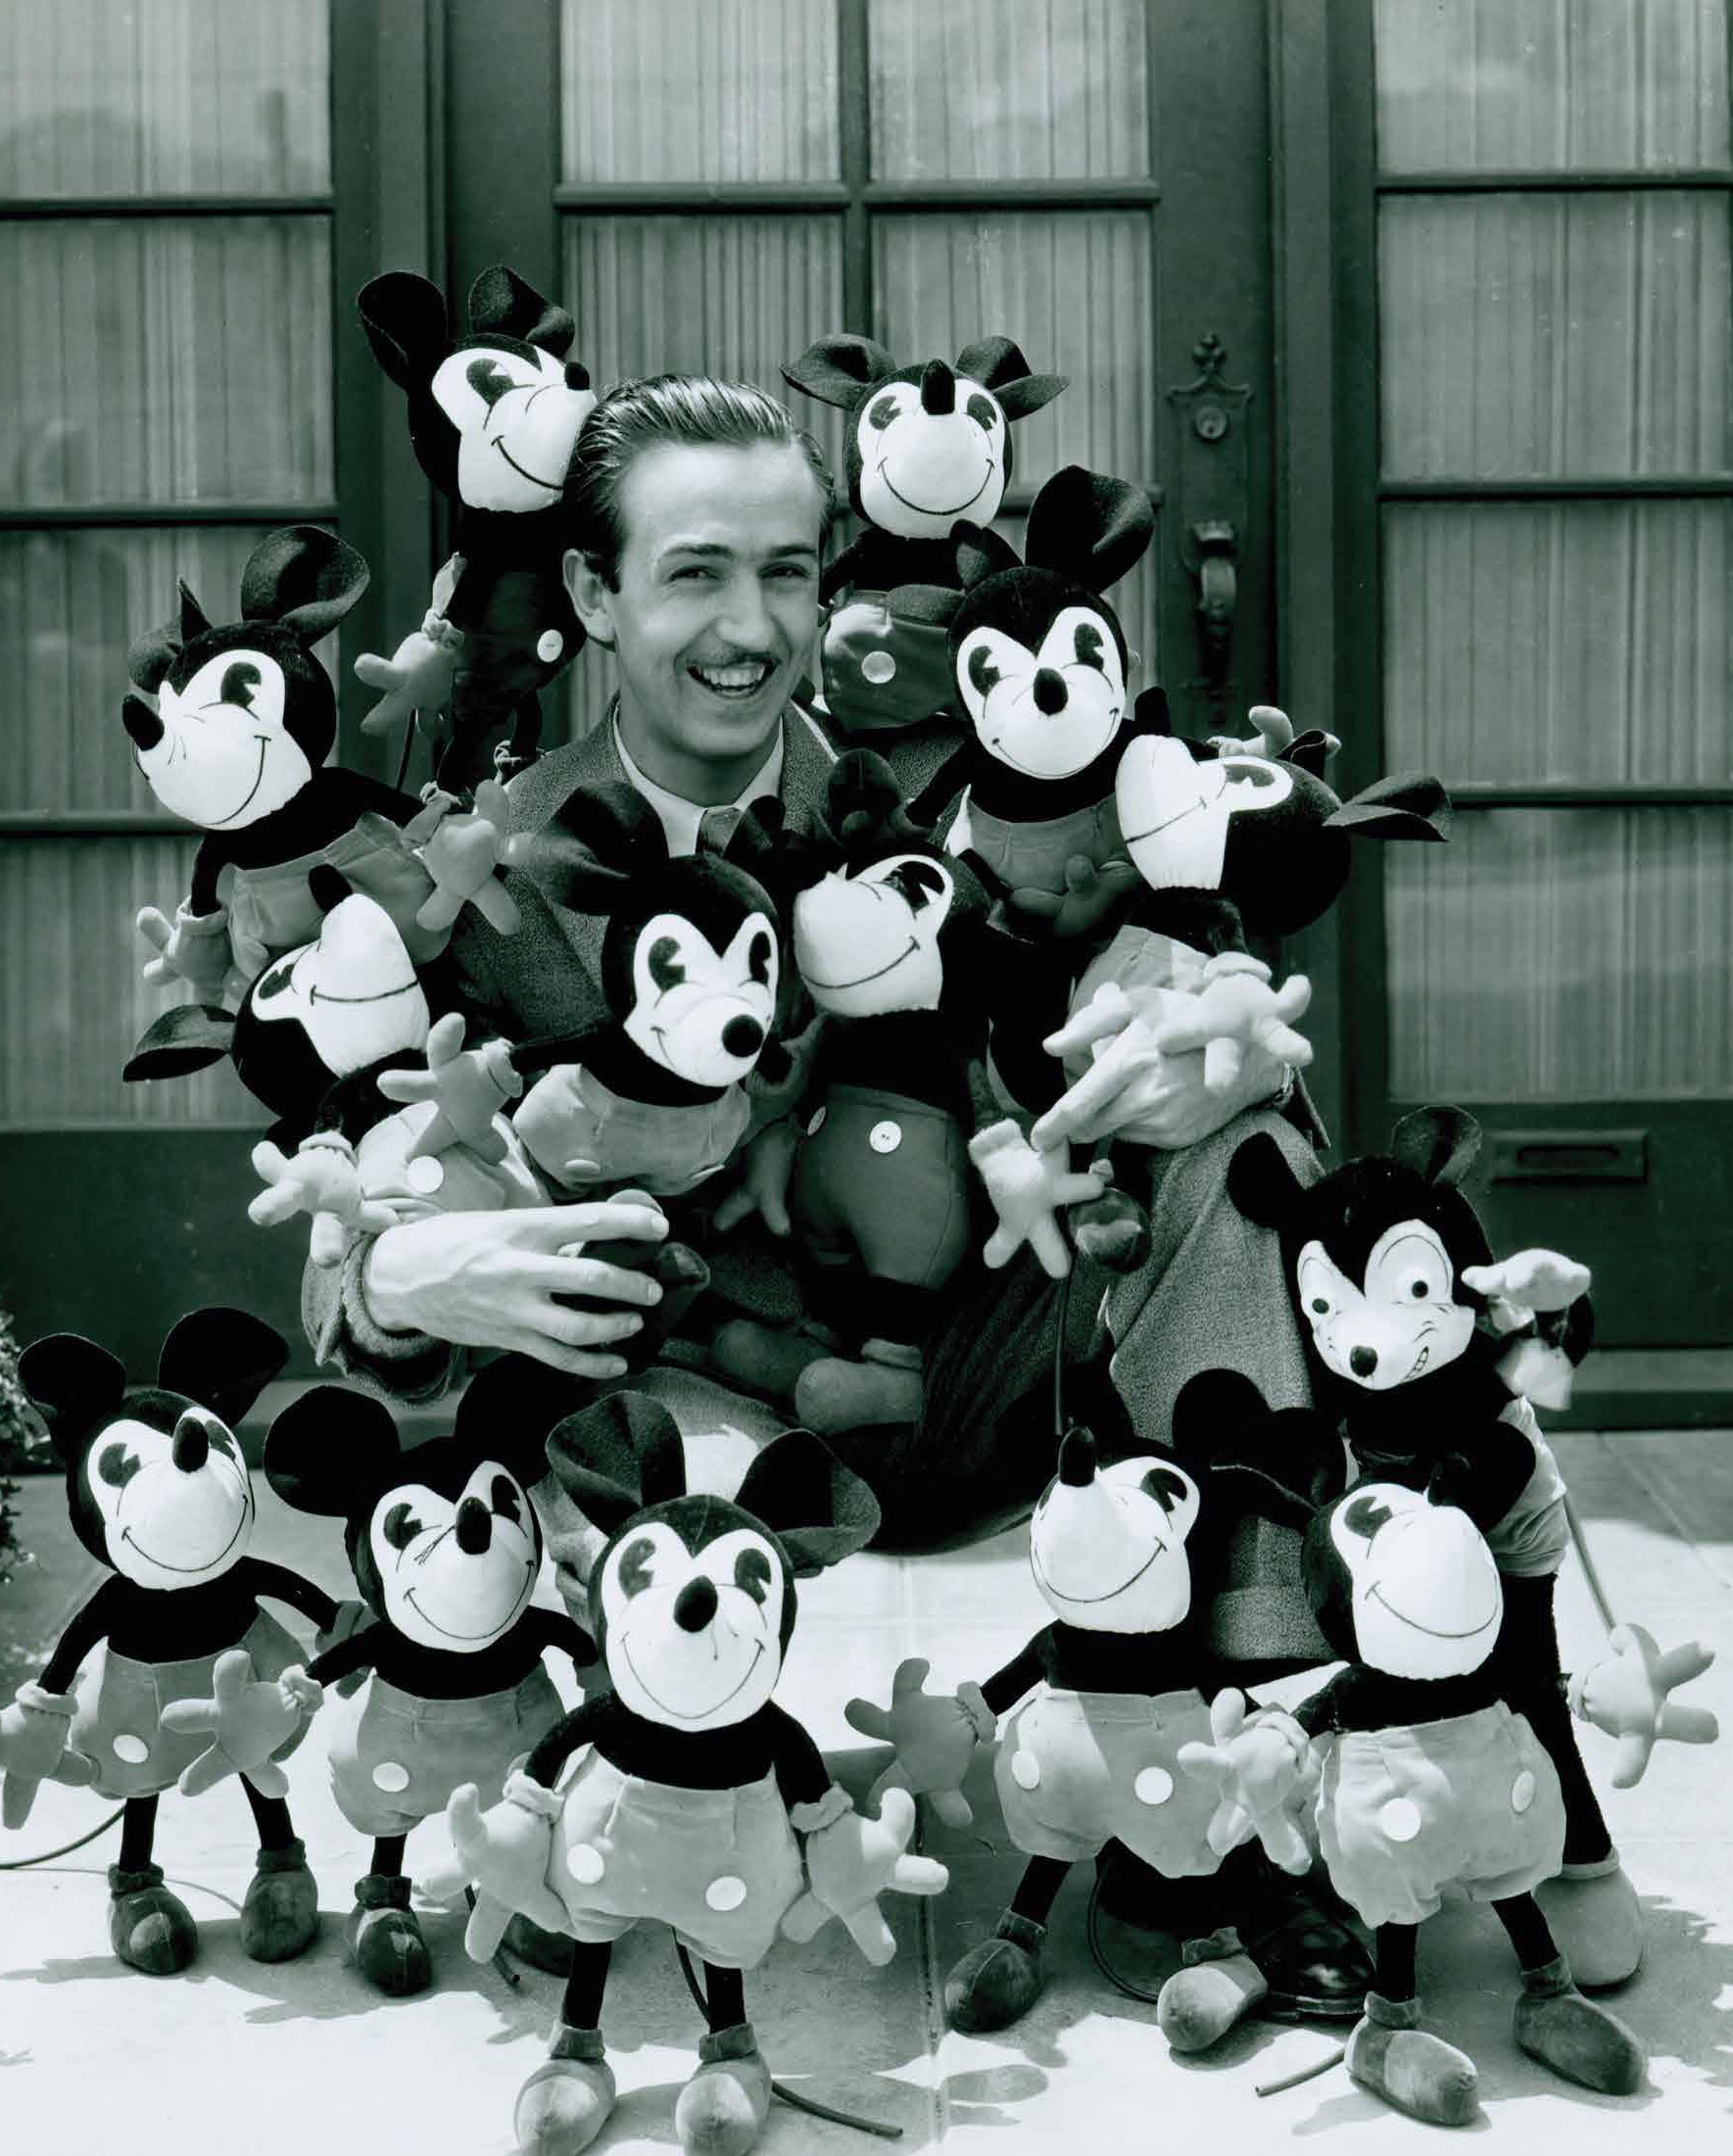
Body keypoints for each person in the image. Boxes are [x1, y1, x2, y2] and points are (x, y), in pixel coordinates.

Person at [300, 374, 1369, 2016]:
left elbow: (1176, 958)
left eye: (786, 572)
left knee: (1248, 1145)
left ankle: (1209, 1799)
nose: (750, 627)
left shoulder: (963, 786)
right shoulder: (485, 861)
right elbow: (340, 1184)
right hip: (695, 1410)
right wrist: (397, 1278)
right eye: (693, 572)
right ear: (592, 591)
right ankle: (636, 1801)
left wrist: (1193, 1043)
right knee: (497, 1329)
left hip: (986, 1368)